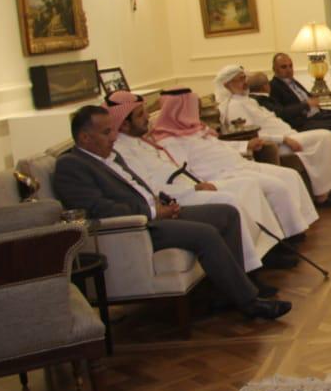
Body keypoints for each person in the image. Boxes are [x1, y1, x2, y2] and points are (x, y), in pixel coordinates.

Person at [53, 106, 290, 320]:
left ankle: (225, 294)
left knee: (226, 213)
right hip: (137, 227)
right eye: (106, 132)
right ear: (84, 137)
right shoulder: (71, 165)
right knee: (206, 233)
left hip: (155, 212)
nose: (114, 137)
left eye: (113, 130)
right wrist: (153, 211)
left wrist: (162, 202)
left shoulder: (110, 156)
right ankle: (249, 303)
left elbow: (138, 189)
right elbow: (99, 209)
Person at [106, 90, 291, 273]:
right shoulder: (122, 152)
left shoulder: (140, 141)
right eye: (141, 114)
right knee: (229, 200)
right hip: (176, 196)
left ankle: (268, 251)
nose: (148, 117)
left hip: (192, 185)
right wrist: (193, 188)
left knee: (247, 186)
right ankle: (249, 269)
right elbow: (150, 188)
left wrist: (196, 184)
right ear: (124, 125)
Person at [151, 89, 319, 240]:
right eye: (195, 108)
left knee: (289, 175)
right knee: (276, 186)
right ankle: (283, 237)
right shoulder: (169, 140)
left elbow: (222, 146)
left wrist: (246, 145)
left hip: (240, 165)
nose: (198, 112)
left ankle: (296, 226)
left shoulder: (197, 129)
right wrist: (198, 185)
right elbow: (181, 170)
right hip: (220, 176)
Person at [215, 65, 331, 207]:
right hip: (279, 143)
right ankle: (322, 195)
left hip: (289, 136)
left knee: (326, 135)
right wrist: (284, 139)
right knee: (324, 136)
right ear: (227, 85)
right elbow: (252, 135)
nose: (245, 82)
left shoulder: (247, 100)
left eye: (244, 78)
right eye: (240, 79)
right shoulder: (234, 106)